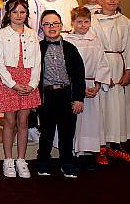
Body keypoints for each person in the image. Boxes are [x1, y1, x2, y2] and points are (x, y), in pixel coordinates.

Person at [90, 0, 130, 163]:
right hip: (100, 67)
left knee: (118, 108)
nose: (112, 1)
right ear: (100, 0)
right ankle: (101, 148)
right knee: (101, 108)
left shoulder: (125, 22)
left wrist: (128, 72)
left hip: (119, 67)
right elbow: (90, 48)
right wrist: (100, 75)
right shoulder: (92, 21)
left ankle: (116, 146)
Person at [0, 0, 42, 178]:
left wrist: (32, 84)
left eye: (22, 12)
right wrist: (12, 84)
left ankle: (21, 159)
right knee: (10, 122)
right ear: (9, 14)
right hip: (9, 81)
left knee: (23, 122)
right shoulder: (1, 34)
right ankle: (8, 160)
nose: (18, 15)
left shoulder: (32, 34)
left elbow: (37, 61)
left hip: (28, 80)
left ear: (27, 13)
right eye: (14, 12)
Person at [36, 10, 86, 178]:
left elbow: (79, 75)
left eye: (55, 24)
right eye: (47, 24)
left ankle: (67, 163)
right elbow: (34, 76)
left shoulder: (71, 49)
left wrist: (78, 98)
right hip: (47, 96)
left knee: (67, 132)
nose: (52, 27)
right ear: (42, 27)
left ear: (61, 26)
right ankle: (42, 162)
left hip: (67, 95)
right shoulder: (38, 48)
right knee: (47, 132)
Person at [63, 7, 110, 171]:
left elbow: (103, 64)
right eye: (79, 22)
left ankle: (88, 155)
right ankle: (74, 155)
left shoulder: (95, 40)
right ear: (72, 22)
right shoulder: (67, 40)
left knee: (91, 122)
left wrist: (98, 84)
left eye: (86, 22)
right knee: (75, 123)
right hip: (75, 87)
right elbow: (65, 66)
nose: (83, 25)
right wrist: (79, 88)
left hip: (92, 86)